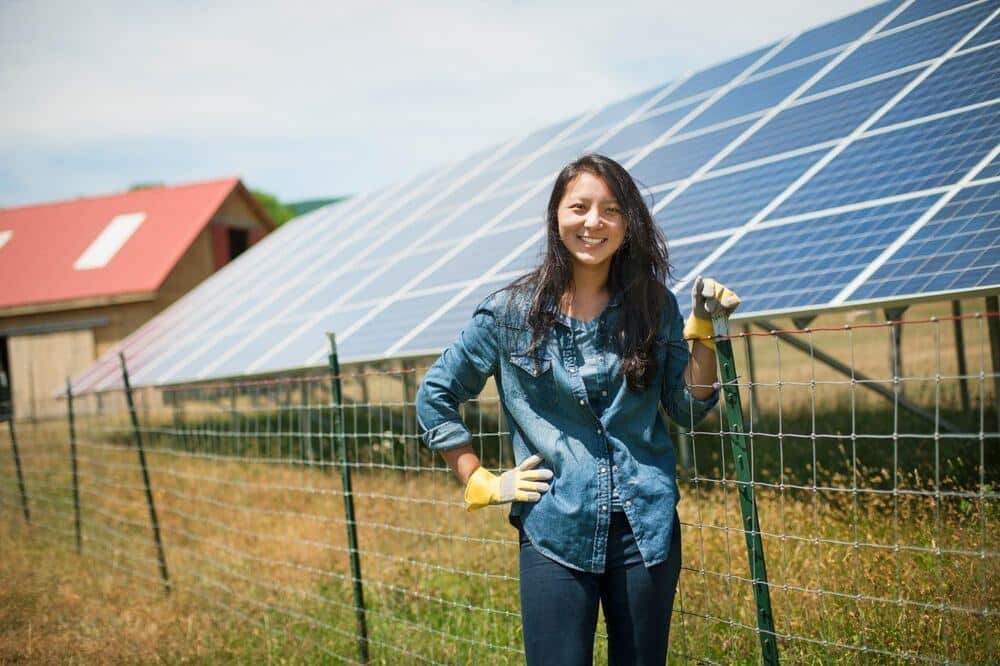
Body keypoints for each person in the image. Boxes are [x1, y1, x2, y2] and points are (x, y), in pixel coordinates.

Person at [415, 153, 740, 665]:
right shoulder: (508, 314)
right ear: (556, 216)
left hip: (645, 531)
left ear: (628, 222)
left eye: (610, 210)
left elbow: (688, 408)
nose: (594, 222)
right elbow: (434, 394)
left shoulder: (655, 306)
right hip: (554, 529)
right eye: (580, 207)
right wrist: (478, 479)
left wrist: (703, 332)